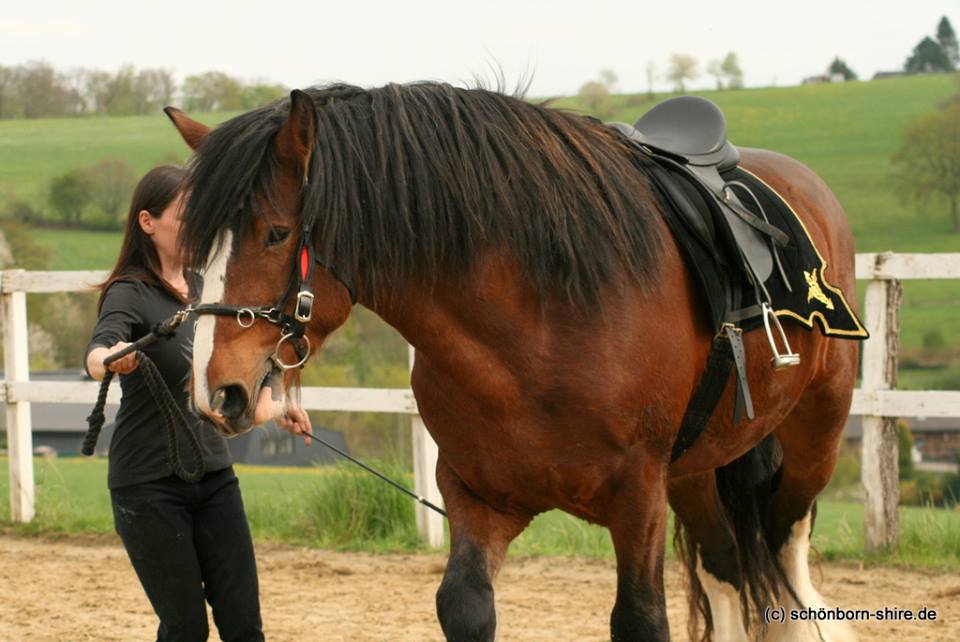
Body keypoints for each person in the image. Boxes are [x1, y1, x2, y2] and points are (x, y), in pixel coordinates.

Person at [85, 165, 311, 642]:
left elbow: (258, 353)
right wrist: (112, 359)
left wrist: (275, 402)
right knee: (186, 630)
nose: (197, 226)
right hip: (147, 486)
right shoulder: (130, 292)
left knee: (244, 625)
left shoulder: (211, 288)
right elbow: (98, 351)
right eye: (185, 215)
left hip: (214, 479)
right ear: (148, 223)